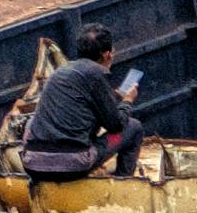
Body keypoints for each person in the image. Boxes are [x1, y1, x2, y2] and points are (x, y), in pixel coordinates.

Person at [17, 33, 143, 182]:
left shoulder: (60, 73)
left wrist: (113, 98)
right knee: (134, 127)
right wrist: (127, 101)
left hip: (33, 165)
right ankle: (124, 183)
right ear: (106, 54)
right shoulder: (96, 74)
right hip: (74, 166)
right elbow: (116, 125)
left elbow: (78, 105)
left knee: (34, 121)